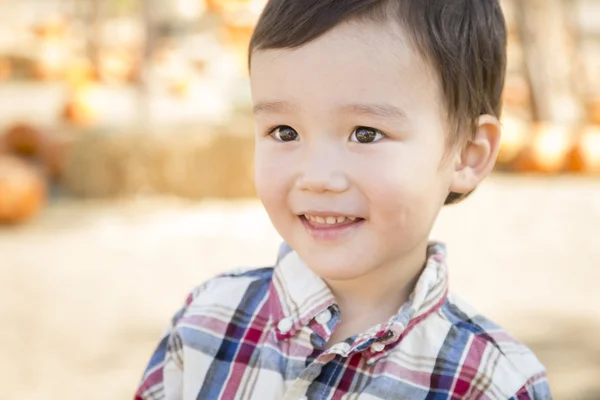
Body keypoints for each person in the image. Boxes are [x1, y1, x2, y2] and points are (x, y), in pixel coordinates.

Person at [135, 0, 551, 398]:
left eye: (365, 134)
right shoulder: (207, 322)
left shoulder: (491, 382)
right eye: (285, 132)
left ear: (467, 153)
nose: (317, 177)